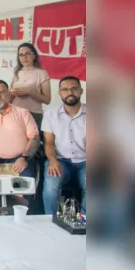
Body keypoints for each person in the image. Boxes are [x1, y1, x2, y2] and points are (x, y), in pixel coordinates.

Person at [42, 76, 86, 215]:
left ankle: (84, 222)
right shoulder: (51, 115)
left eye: (74, 88)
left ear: (81, 91)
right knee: (50, 186)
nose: (70, 92)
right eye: (65, 89)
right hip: (60, 162)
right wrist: (53, 161)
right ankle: (50, 221)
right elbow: (48, 143)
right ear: (60, 93)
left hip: (86, 162)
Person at [11, 42, 51, 128]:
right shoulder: (16, 72)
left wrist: (29, 92)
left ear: (34, 56)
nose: (24, 57)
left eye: (27, 54)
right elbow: (10, 97)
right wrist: (10, 93)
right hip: (15, 113)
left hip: (33, 115)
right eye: (21, 55)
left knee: (33, 140)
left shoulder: (42, 73)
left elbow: (47, 100)